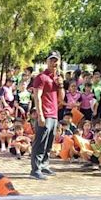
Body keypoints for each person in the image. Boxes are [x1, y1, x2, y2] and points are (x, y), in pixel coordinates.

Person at [30, 50, 65, 180]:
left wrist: (61, 84)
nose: (53, 62)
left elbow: (61, 99)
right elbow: (37, 97)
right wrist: (40, 115)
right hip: (44, 113)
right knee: (40, 142)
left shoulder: (57, 78)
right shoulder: (41, 77)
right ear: (47, 61)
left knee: (49, 142)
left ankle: (44, 165)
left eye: (56, 60)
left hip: (54, 114)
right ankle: (35, 169)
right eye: (51, 59)